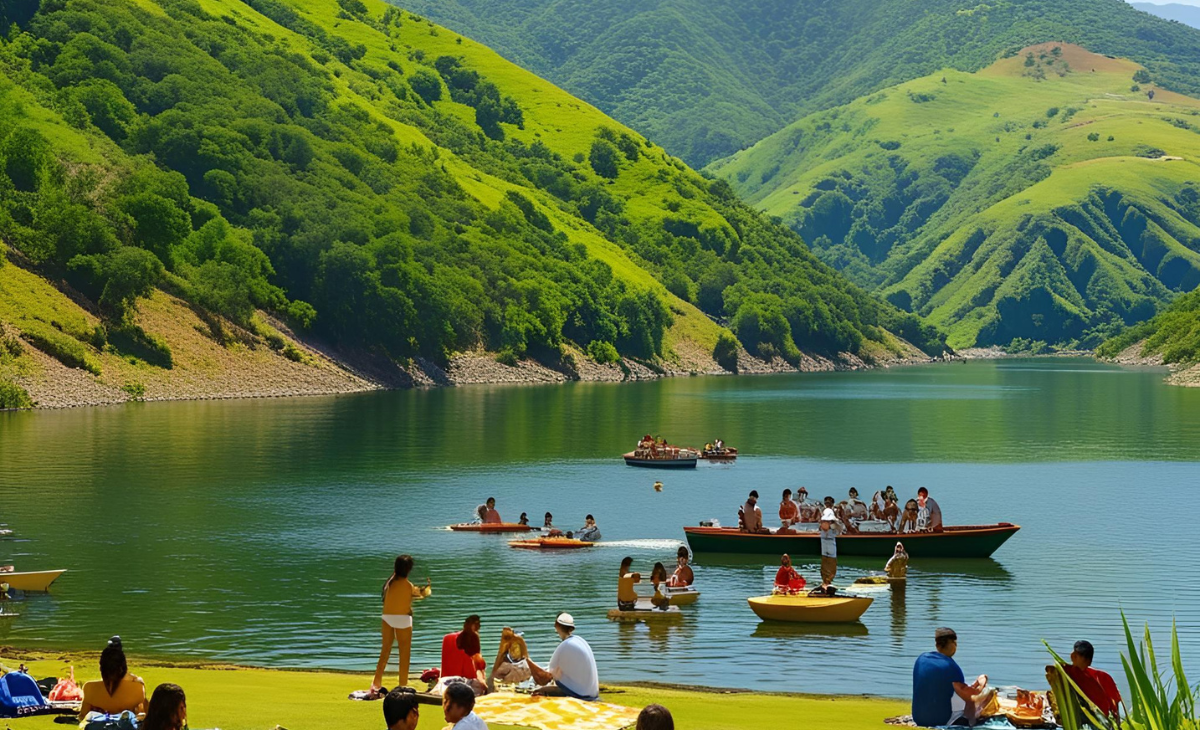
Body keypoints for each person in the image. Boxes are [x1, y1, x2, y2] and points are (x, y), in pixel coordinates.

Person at [912, 628, 996, 727]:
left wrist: (973, 685)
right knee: (986, 696)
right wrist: (982, 683)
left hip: (918, 718)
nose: (956, 645)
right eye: (954, 642)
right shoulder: (950, 667)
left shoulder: (921, 659)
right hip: (940, 720)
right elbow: (971, 697)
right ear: (952, 644)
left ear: (937, 645)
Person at [372, 555, 432, 692]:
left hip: (387, 618)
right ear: (408, 569)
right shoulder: (408, 585)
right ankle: (402, 685)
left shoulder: (389, 583)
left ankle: (376, 682)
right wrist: (428, 588)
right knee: (404, 654)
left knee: (385, 651)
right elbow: (421, 594)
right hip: (403, 620)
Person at [526, 613, 600, 701]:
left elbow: (544, 679)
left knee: (538, 692)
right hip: (592, 694)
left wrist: (527, 659)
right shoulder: (580, 641)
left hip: (579, 695)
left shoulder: (565, 646)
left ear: (556, 626)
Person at [80, 636, 147, 718]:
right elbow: (147, 715)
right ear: (123, 667)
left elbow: (82, 716)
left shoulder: (89, 688)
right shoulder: (138, 688)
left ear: (101, 668)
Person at [1061, 640, 1122, 719]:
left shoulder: (1102, 678)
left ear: (1089, 661)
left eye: (1086, 659)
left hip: (1097, 717)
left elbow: (1115, 704)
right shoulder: (1066, 673)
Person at [819, 508, 843, 590]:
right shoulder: (831, 526)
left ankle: (826, 582)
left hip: (826, 546)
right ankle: (826, 582)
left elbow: (839, 530)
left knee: (826, 565)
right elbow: (840, 530)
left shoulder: (827, 525)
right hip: (829, 547)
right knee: (830, 565)